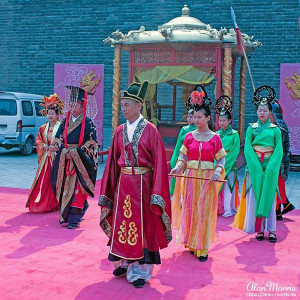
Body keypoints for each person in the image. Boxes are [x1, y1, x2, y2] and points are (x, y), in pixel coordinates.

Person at [99, 81, 172, 288]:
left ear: (139, 106)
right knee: (122, 225)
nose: (124, 108)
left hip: (143, 184)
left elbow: (158, 163)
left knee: (142, 227)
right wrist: (109, 190)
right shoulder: (120, 131)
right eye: (122, 105)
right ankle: (123, 261)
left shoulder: (150, 130)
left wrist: (156, 193)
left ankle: (140, 270)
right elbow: (114, 161)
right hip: (123, 185)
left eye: (127, 105)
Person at [170, 85, 226, 262]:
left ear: (209, 118)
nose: (196, 119)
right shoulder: (189, 136)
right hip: (191, 177)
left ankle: (202, 247)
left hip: (207, 178)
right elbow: (182, 156)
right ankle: (192, 243)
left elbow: (221, 160)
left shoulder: (215, 138)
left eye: (200, 117)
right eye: (194, 116)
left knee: (203, 210)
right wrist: (178, 168)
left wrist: (218, 171)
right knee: (190, 209)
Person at [234, 86, 283, 243]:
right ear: (257, 112)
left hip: (269, 167)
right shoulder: (251, 129)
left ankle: (272, 230)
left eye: (265, 110)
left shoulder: (276, 130)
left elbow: (278, 151)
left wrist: (270, 169)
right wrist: (256, 168)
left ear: (270, 112)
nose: (261, 112)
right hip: (254, 168)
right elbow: (248, 149)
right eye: (259, 110)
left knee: (269, 197)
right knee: (254, 198)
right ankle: (259, 229)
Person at [51, 86, 98, 229]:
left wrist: (77, 152)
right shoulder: (65, 121)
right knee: (62, 186)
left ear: (83, 106)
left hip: (79, 160)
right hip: (65, 158)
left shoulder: (88, 122)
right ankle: (76, 209)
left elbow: (92, 143)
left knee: (76, 189)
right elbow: (58, 137)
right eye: (71, 104)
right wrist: (59, 146)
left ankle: (74, 218)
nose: (73, 107)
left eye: (76, 104)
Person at [26, 93, 64, 212]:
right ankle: (44, 203)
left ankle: (56, 202)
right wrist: (44, 146)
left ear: (58, 115)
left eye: (53, 113)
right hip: (46, 158)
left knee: (56, 180)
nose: (50, 115)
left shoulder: (62, 127)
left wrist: (55, 147)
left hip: (56, 158)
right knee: (44, 180)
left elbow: (64, 141)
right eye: (49, 113)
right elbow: (38, 140)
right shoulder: (43, 128)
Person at [269, 100, 295, 220]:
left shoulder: (278, 129)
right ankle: (285, 205)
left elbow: (276, 148)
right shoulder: (280, 126)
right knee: (277, 186)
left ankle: (278, 211)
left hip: (279, 162)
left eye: (269, 114)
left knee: (277, 186)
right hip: (279, 161)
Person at [215, 95, 240, 217]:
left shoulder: (234, 134)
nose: (222, 123)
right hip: (217, 162)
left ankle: (228, 209)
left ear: (229, 121)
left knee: (228, 186)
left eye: (224, 120)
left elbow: (235, 151)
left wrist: (225, 164)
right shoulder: (216, 134)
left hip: (229, 163)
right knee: (216, 185)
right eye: (220, 120)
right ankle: (216, 208)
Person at [169, 109, 197, 195]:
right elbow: (178, 145)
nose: (189, 119)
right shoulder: (184, 129)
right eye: (188, 117)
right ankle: (176, 193)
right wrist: (175, 157)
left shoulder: (198, 130)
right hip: (182, 155)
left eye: (191, 117)